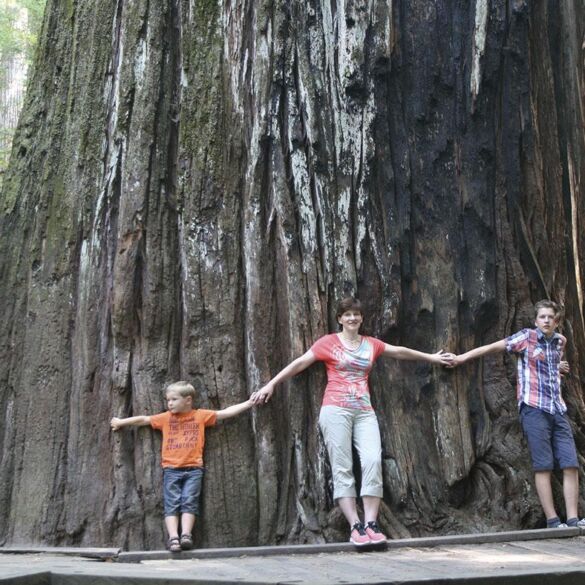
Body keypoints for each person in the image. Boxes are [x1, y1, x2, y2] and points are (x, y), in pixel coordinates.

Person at [250, 297, 454, 546]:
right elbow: (300, 362)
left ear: (361, 318)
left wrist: (431, 358)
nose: (352, 318)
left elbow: (399, 352)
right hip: (335, 411)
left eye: (356, 314)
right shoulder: (328, 343)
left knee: (372, 460)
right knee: (342, 467)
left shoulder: (371, 344)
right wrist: (271, 384)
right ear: (339, 318)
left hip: (364, 411)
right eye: (347, 314)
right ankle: (354, 526)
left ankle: (371, 523)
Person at [450, 299, 582, 528]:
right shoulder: (526, 338)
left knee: (570, 464)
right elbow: (493, 347)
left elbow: (551, 367)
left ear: (557, 321)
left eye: (551, 317)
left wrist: (559, 369)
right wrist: (462, 357)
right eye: (542, 317)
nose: (547, 321)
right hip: (533, 408)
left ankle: (573, 519)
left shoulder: (560, 342)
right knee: (544, 465)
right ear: (536, 320)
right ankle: (553, 520)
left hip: (557, 408)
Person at [111, 381, 253, 552]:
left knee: (189, 502)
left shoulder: (200, 416)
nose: (169, 403)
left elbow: (226, 413)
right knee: (172, 503)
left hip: (194, 469)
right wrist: (121, 422)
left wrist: (250, 402)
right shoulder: (165, 418)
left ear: (188, 400)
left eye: (174, 399)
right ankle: (173, 538)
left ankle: (186, 535)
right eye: (168, 400)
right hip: (171, 469)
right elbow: (144, 419)